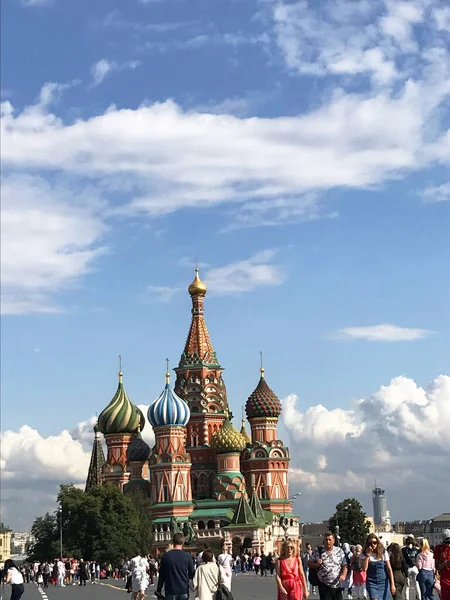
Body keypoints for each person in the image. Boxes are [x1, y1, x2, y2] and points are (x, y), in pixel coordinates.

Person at [309, 532, 348, 600]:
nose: (328, 541)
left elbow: (344, 565)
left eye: (330, 539)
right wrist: (317, 564)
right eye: (326, 540)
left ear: (333, 541)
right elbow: (309, 563)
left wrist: (344, 575)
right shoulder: (319, 550)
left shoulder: (339, 551)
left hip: (337, 584)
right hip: (324, 584)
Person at [157, 533, 195, 600]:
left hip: (170, 590)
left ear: (173, 542)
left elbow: (162, 575)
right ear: (183, 542)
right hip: (183, 589)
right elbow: (191, 574)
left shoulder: (165, 556)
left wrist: (158, 590)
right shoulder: (187, 556)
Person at [363, 534, 396, 600]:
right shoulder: (364, 554)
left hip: (383, 581)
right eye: (370, 543)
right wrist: (368, 555)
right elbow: (364, 568)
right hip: (371, 581)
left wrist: (392, 584)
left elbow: (389, 569)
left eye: (374, 543)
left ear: (377, 543)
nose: (372, 545)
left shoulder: (383, 552)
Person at [435, 530, 450, 600]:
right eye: (447, 542)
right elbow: (437, 566)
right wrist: (444, 564)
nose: (449, 544)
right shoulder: (439, 548)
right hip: (445, 581)